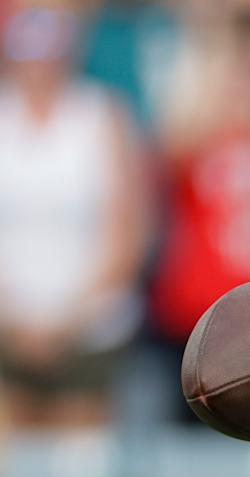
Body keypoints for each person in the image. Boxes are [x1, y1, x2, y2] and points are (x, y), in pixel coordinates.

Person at [0, 3, 147, 438]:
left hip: (89, 328)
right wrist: (15, 317)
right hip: (9, 327)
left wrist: (68, 320)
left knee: (79, 452)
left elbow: (128, 226)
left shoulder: (101, 114)